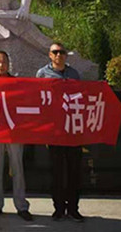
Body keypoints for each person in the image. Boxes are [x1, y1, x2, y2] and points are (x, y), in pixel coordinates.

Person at [36, 42, 84, 222]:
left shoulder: (74, 74)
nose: (59, 55)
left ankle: (73, 208)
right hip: (55, 132)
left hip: (72, 131)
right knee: (56, 173)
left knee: (74, 172)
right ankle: (58, 208)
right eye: (55, 52)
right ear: (50, 55)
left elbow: (82, 98)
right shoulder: (42, 74)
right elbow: (38, 100)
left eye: (62, 52)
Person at [0, 51, 33, 221]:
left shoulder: (16, 83)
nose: (1, 65)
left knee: (17, 169)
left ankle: (21, 205)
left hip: (14, 132)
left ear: (8, 63)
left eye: (4, 62)